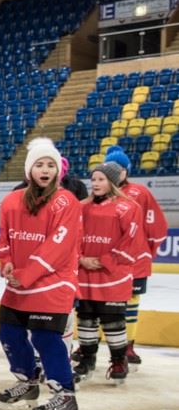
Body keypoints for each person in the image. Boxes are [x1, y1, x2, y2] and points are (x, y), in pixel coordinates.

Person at [0, 138, 82, 410]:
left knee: (45, 338)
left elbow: (57, 245)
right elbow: (4, 239)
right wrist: (6, 263)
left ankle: (64, 394)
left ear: (58, 171)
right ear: (29, 169)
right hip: (19, 283)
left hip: (53, 282)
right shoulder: (12, 201)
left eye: (51, 165)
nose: (45, 170)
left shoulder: (65, 201)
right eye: (40, 164)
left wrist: (27, 274)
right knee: (8, 333)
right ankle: (28, 381)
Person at [73, 162, 139, 384]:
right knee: (86, 319)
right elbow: (71, 239)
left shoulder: (128, 208)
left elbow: (131, 242)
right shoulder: (81, 207)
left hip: (113, 275)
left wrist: (104, 261)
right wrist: (80, 258)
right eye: (93, 179)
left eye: (101, 179)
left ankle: (119, 360)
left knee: (113, 321)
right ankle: (87, 359)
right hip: (85, 273)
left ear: (112, 181)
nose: (96, 183)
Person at [103, 146, 167, 367]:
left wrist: (145, 252)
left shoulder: (140, 192)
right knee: (99, 303)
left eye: (119, 168)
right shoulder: (99, 193)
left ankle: (127, 345)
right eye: (109, 167)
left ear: (126, 171)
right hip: (105, 262)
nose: (114, 172)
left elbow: (157, 225)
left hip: (134, 262)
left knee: (130, 303)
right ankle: (91, 345)